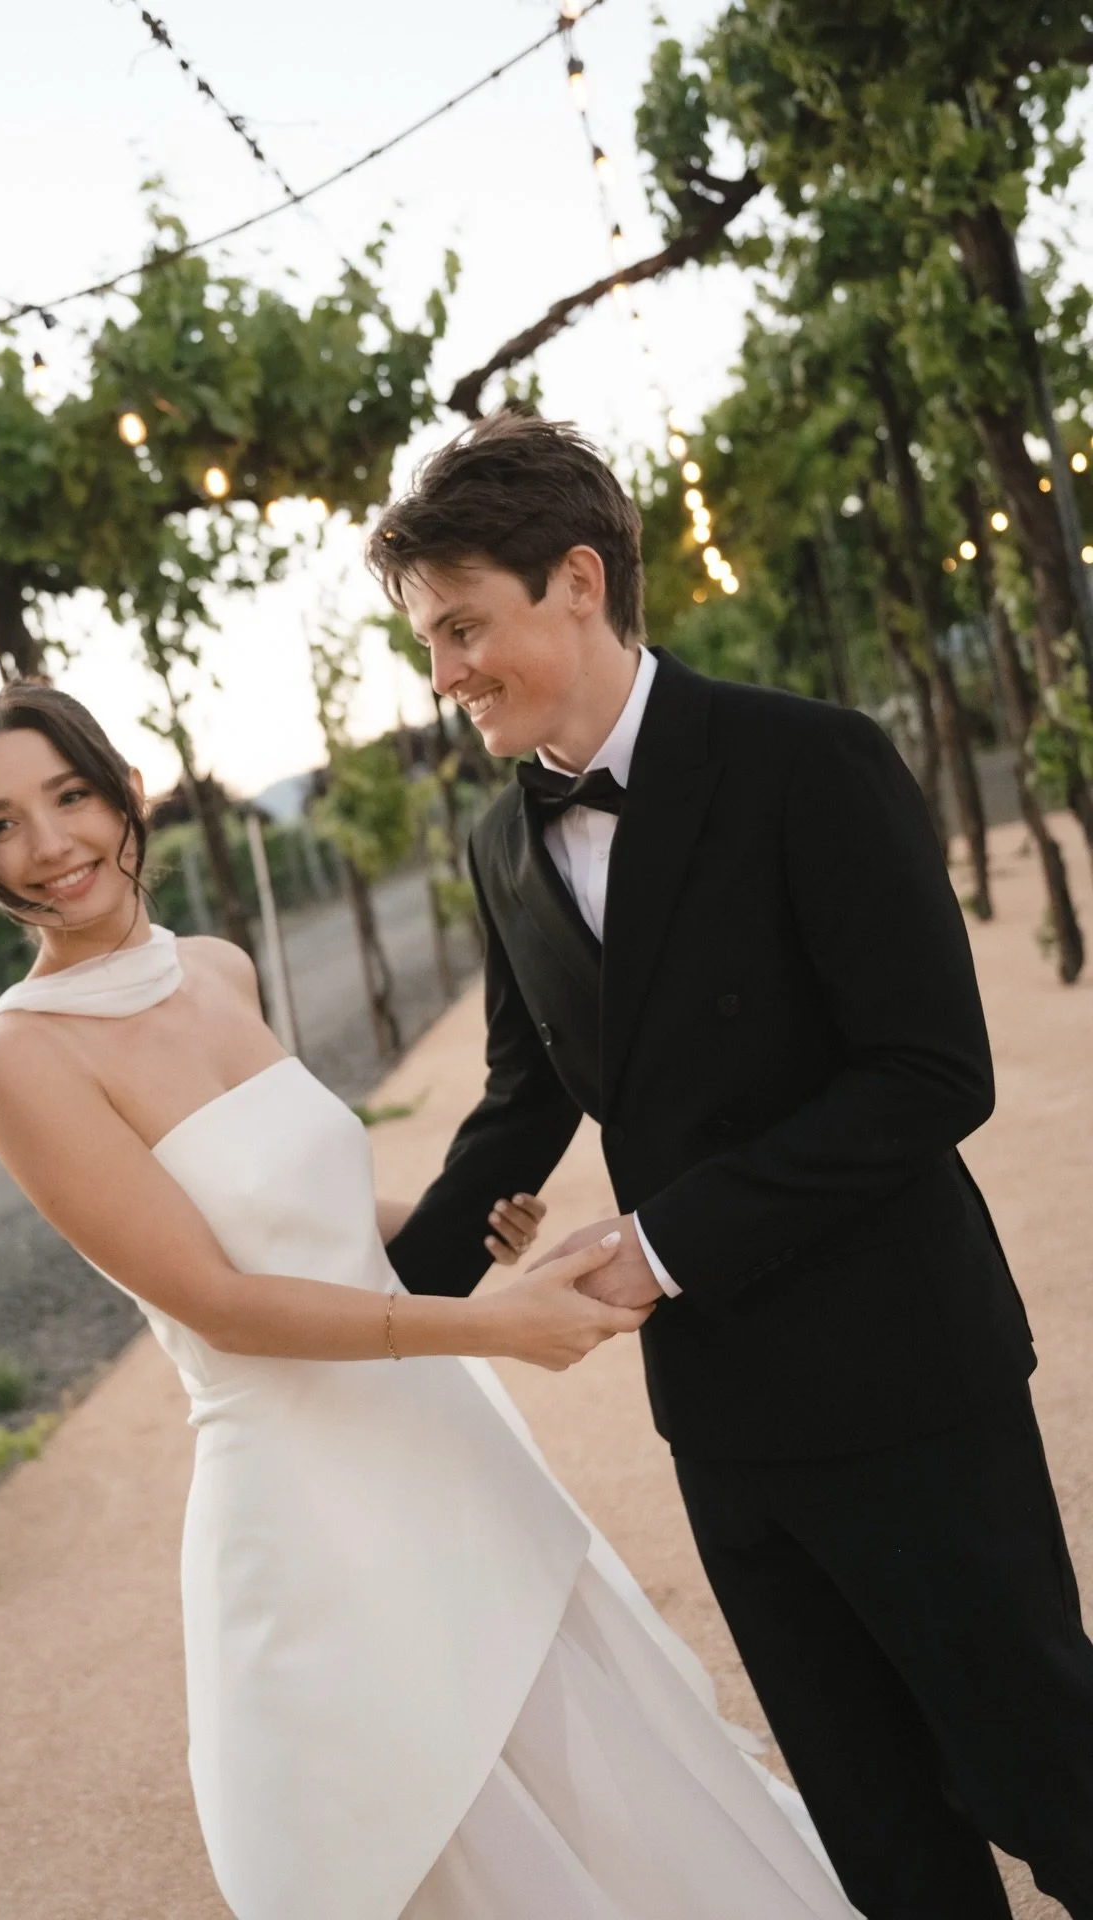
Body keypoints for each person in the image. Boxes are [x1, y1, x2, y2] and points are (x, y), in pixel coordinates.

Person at [0, 681, 861, 1920]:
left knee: (595, 1778)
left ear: (125, 793)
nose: (49, 845)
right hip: (309, 1504)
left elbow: (297, 1216)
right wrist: (493, 1328)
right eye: (2, 824)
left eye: (68, 797)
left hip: (437, 1445)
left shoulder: (216, 968)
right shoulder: (23, 1058)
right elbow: (222, 1298)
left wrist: (453, 1233)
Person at [369, 408, 1093, 1920]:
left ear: (577, 579)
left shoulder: (810, 762)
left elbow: (930, 1073)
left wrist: (661, 1243)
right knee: (884, 1840)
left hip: (910, 1384)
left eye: (459, 629)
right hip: (723, 1424)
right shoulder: (505, 846)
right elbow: (522, 1098)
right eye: (426, 643)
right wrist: (381, 1311)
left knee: (1050, 1782)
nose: (441, 677)